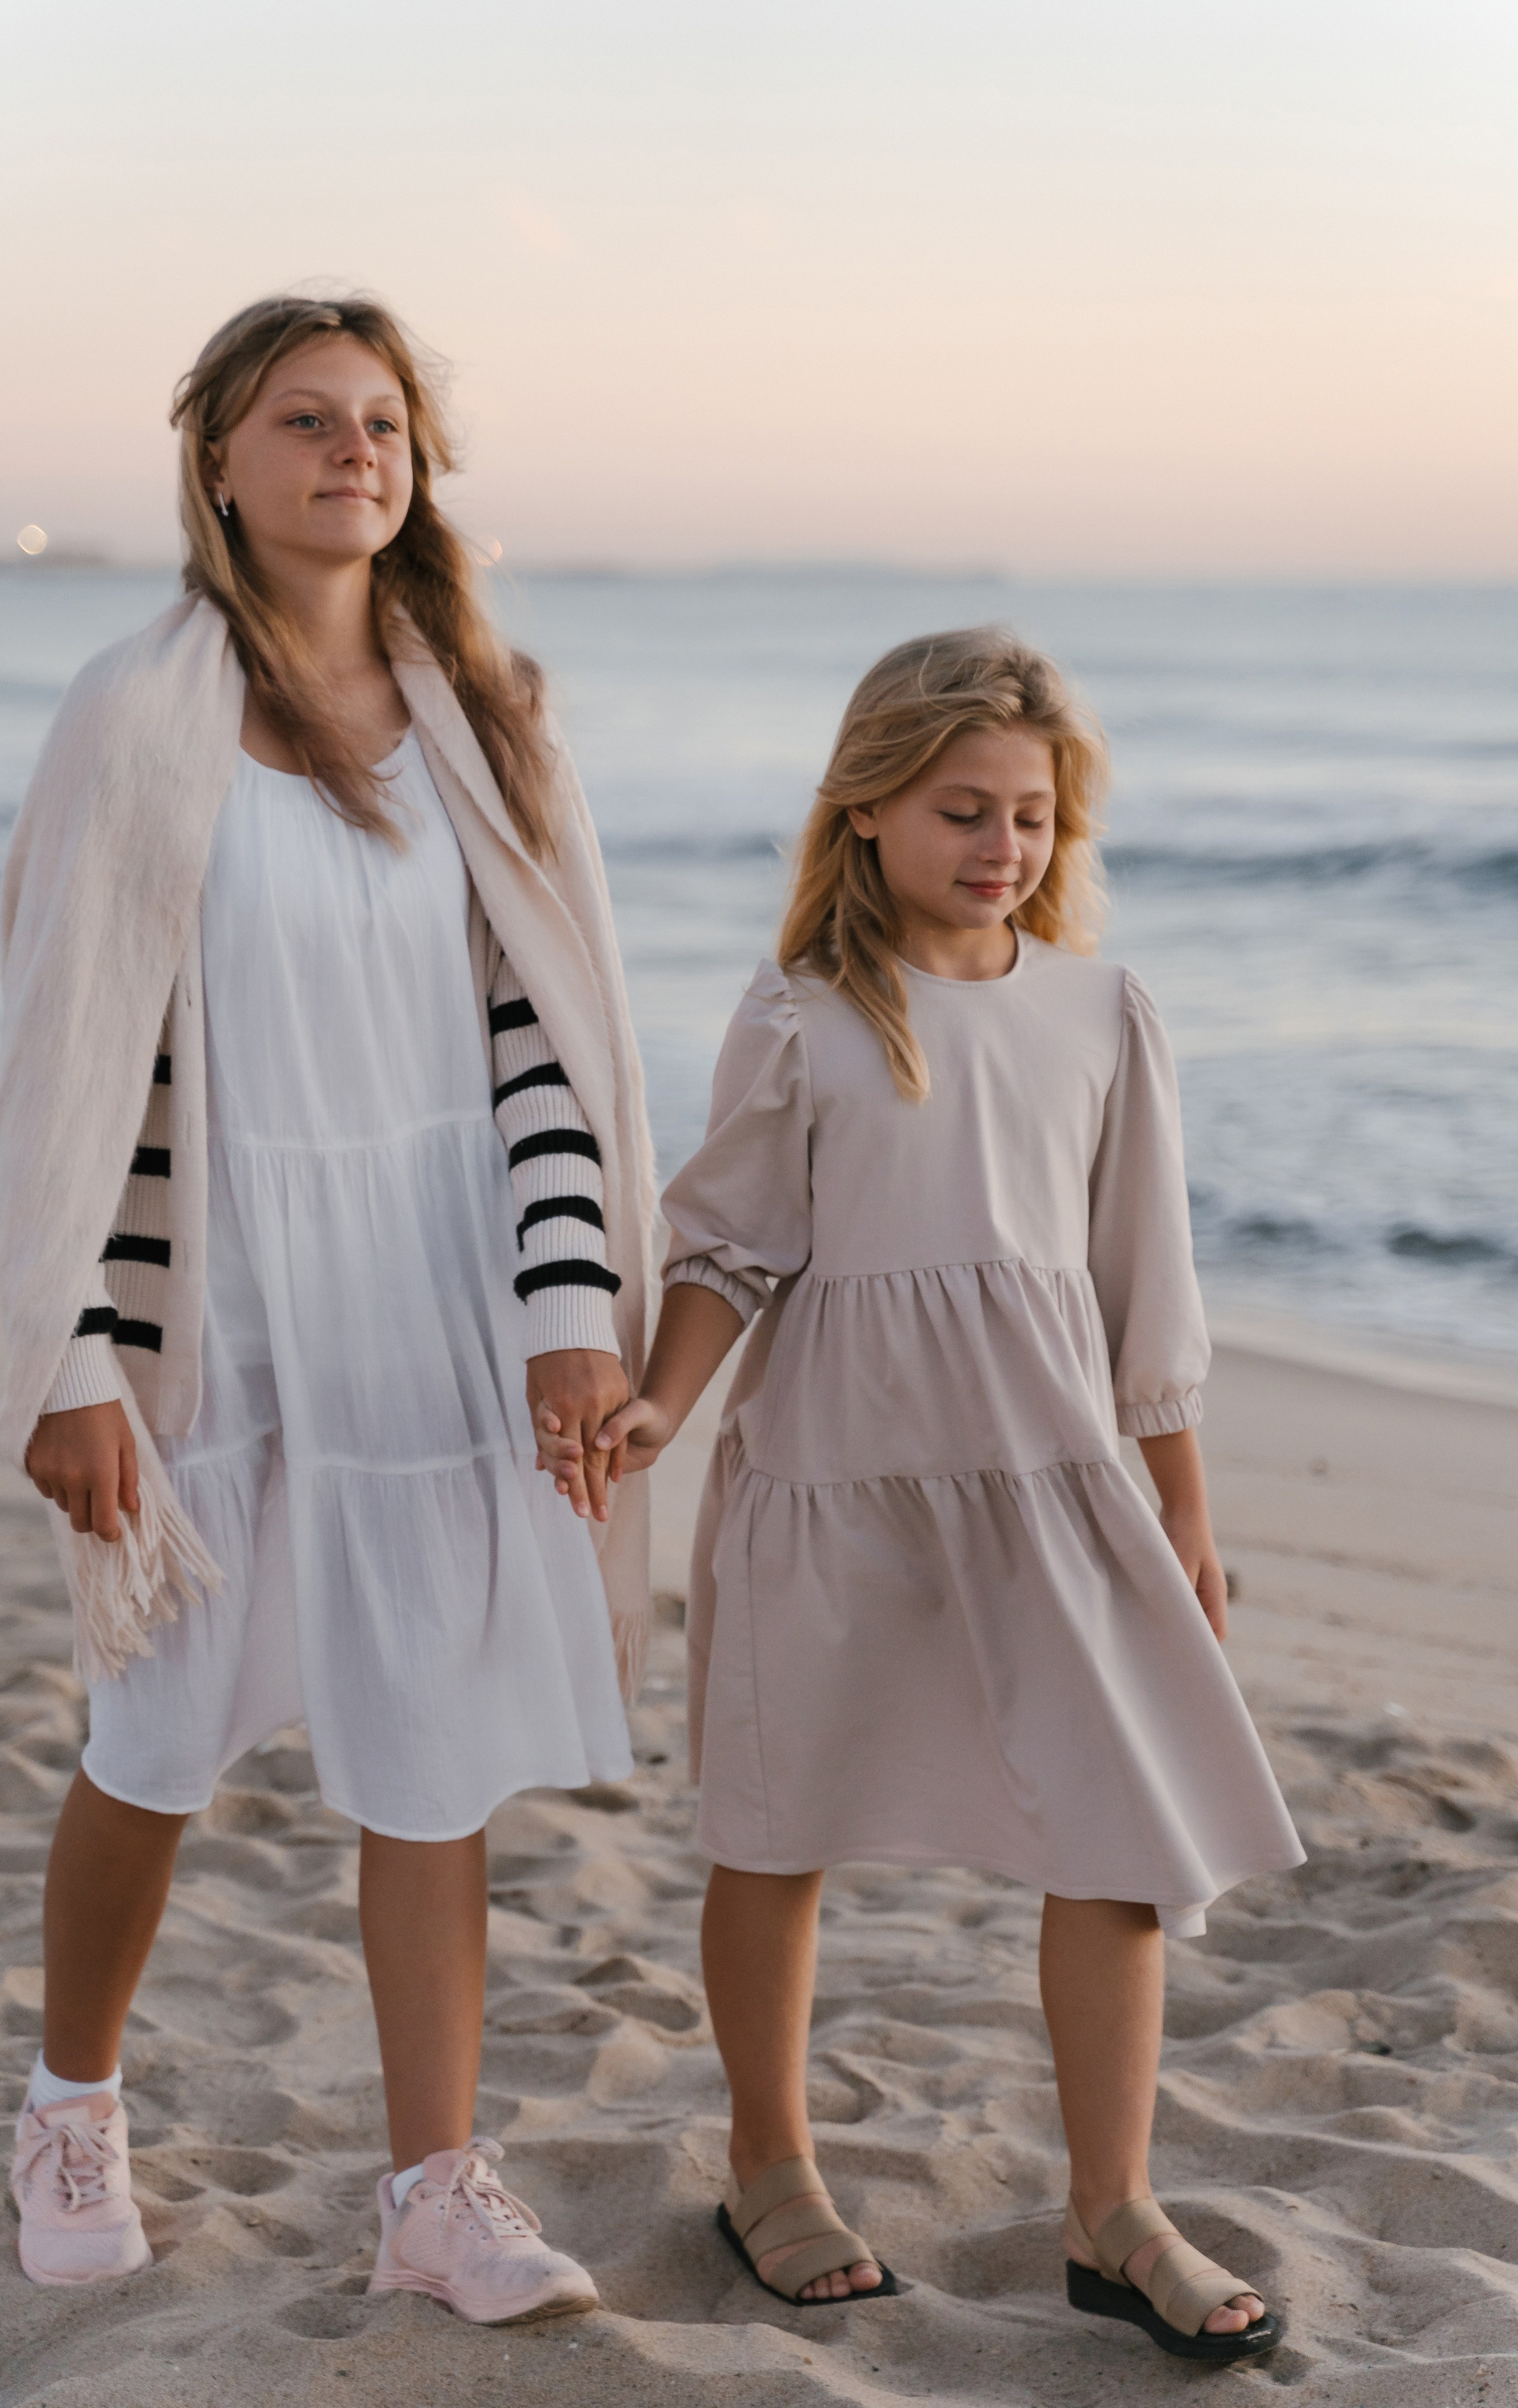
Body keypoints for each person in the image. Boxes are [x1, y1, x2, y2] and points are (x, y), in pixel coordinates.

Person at [0, 293, 656, 2323]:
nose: (352, 450)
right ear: (219, 460)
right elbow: (71, 1061)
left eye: (382, 421)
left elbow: (545, 1036)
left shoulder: (490, 711)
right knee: (156, 1733)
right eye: (305, 419)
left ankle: (434, 2191)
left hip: (438, 1287)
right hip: (214, 1290)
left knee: (429, 1745)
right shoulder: (136, 711)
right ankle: (70, 2106)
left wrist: (568, 1306)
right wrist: (73, 1356)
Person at [542, 630, 1304, 2364]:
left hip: (1054, 1483)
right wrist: (661, 1404)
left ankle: (1115, 2211)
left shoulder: (1102, 1011)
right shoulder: (803, 1015)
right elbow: (729, 1244)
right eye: (965, 811)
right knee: (779, 1824)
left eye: (1032, 816)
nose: (1003, 846)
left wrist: (1184, 1508)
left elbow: (1147, 1288)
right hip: (836, 1476)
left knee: (1119, 1833)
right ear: (869, 807)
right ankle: (771, 2170)